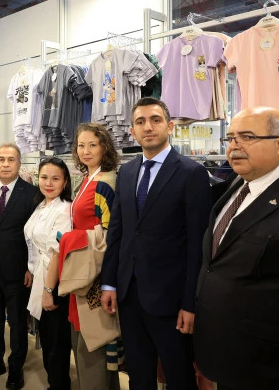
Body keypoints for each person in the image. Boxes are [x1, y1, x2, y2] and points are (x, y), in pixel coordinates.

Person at [195, 107, 279, 390]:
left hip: (275, 367)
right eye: (230, 138)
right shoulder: (238, 186)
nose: (234, 146)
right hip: (229, 357)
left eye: (247, 137)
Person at [101, 97, 212, 390]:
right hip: (129, 295)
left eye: (155, 120)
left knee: (179, 377)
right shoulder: (126, 172)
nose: (148, 127)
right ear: (132, 131)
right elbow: (118, 233)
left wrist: (190, 303)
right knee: (139, 375)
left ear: (170, 126)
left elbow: (197, 244)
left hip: (171, 300)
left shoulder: (191, 173)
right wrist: (109, 283)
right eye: (140, 122)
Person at [57, 123, 121, 389]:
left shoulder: (105, 183)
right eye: (81, 145)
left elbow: (109, 236)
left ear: (104, 147)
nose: (86, 151)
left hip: (94, 273)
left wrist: (69, 239)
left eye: (92, 145)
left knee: (93, 344)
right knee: (82, 341)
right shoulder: (86, 179)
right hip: (82, 268)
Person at [0, 143, 39, 390]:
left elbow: (34, 235)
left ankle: (16, 367)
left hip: (18, 269)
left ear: (19, 163)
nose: (6, 164)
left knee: (17, 321)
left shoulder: (31, 193)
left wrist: (30, 268)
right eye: (1, 159)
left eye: (11, 159)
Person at [24, 157, 72, 390]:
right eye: (44, 177)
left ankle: (59, 385)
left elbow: (56, 252)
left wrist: (48, 290)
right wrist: (30, 269)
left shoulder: (64, 209)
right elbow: (35, 243)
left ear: (65, 182)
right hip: (40, 278)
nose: (49, 183)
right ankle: (54, 382)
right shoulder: (41, 205)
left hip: (54, 283)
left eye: (55, 178)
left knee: (56, 343)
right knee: (47, 337)